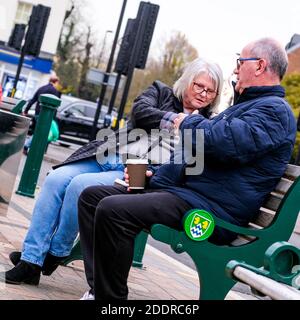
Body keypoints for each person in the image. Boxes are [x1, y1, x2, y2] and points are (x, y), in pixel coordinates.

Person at [76, 37, 297, 300]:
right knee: (92, 198)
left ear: (259, 66)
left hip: (214, 212)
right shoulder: (247, 107)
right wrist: (153, 177)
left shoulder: (274, 111)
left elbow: (224, 143)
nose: (236, 68)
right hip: (194, 197)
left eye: (241, 61)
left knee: (115, 211)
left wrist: (186, 122)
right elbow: (200, 154)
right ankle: (99, 291)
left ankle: (111, 301)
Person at [2, 57, 222, 287]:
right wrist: (175, 119)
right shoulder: (161, 92)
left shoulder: (206, 125)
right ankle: (32, 259)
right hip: (109, 154)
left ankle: (51, 254)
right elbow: (140, 112)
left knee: (80, 186)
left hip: (134, 171)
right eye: (199, 86)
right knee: (56, 180)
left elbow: (184, 164)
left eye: (210, 91)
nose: (204, 94)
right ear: (187, 81)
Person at [23, 74, 61, 154]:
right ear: (56, 82)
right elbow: (55, 105)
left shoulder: (41, 88)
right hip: (47, 116)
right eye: (58, 83)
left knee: (39, 132)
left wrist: (26, 110)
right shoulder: (54, 91)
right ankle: (28, 146)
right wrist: (53, 117)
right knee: (40, 132)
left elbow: (32, 100)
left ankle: (35, 148)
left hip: (37, 114)